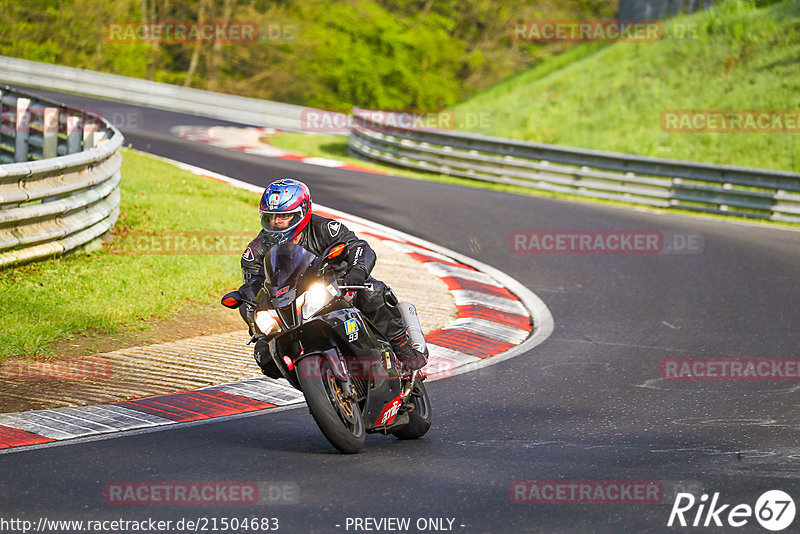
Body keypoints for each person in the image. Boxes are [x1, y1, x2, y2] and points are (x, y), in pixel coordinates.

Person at [238, 178, 427, 377]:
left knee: (373, 292)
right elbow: (253, 285)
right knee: (265, 356)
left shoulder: (325, 228)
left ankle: (404, 350)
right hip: (291, 305)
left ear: (301, 213)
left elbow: (358, 247)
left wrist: (356, 273)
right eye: (270, 217)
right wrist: (252, 310)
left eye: (284, 216)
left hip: (334, 287)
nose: (275, 222)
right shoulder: (256, 250)